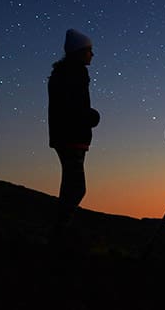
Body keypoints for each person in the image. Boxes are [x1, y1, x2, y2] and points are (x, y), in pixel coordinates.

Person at [47, 28, 101, 246]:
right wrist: (91, 117)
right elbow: (72, 106)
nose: (92, 55)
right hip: (71, 137)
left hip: (66, 137)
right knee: (77, 187)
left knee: (71, 185)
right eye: (90, 50)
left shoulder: (63, 73)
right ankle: (59, 233)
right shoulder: (75, 73)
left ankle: (60, 232)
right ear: (80, 51)